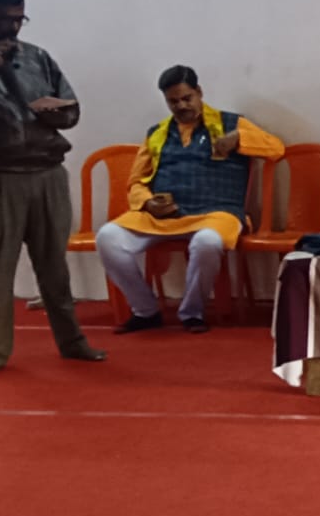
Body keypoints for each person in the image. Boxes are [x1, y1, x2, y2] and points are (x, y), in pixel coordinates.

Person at [0, 0, 106, 381]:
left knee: (54, 266)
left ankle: (72, 341)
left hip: (46, 171)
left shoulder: (37, 57)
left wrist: (58, 113)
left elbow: (71, 107)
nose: (13, 28)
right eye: (3, 19)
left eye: (19, 19)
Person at [97, 65, 285, 334]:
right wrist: (148, 203)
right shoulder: (157, 133)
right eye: (173, 101)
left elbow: (276, 148)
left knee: (207, 242)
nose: (181, 106)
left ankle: (192, 312)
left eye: (187, 98)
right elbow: (136, 182)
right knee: (108, 237)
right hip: (165, 216)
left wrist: (239, 139)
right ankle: (145, 310)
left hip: (217, 213)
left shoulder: (231, 124)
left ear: (199, 92)